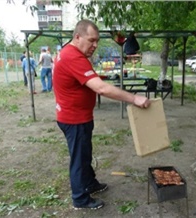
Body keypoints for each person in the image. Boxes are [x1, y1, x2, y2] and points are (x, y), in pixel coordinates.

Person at [53, 19, 151, 210]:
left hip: (76, 116)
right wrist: (134, 98)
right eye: (91, 40)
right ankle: (80, 199)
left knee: (85, 154)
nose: (95, 45)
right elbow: (101, 88)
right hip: (74, 119)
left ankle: (89, 184)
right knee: (79, 160)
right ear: (77, 37)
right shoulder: (73, 56)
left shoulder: (69, 52)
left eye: (97, 41)